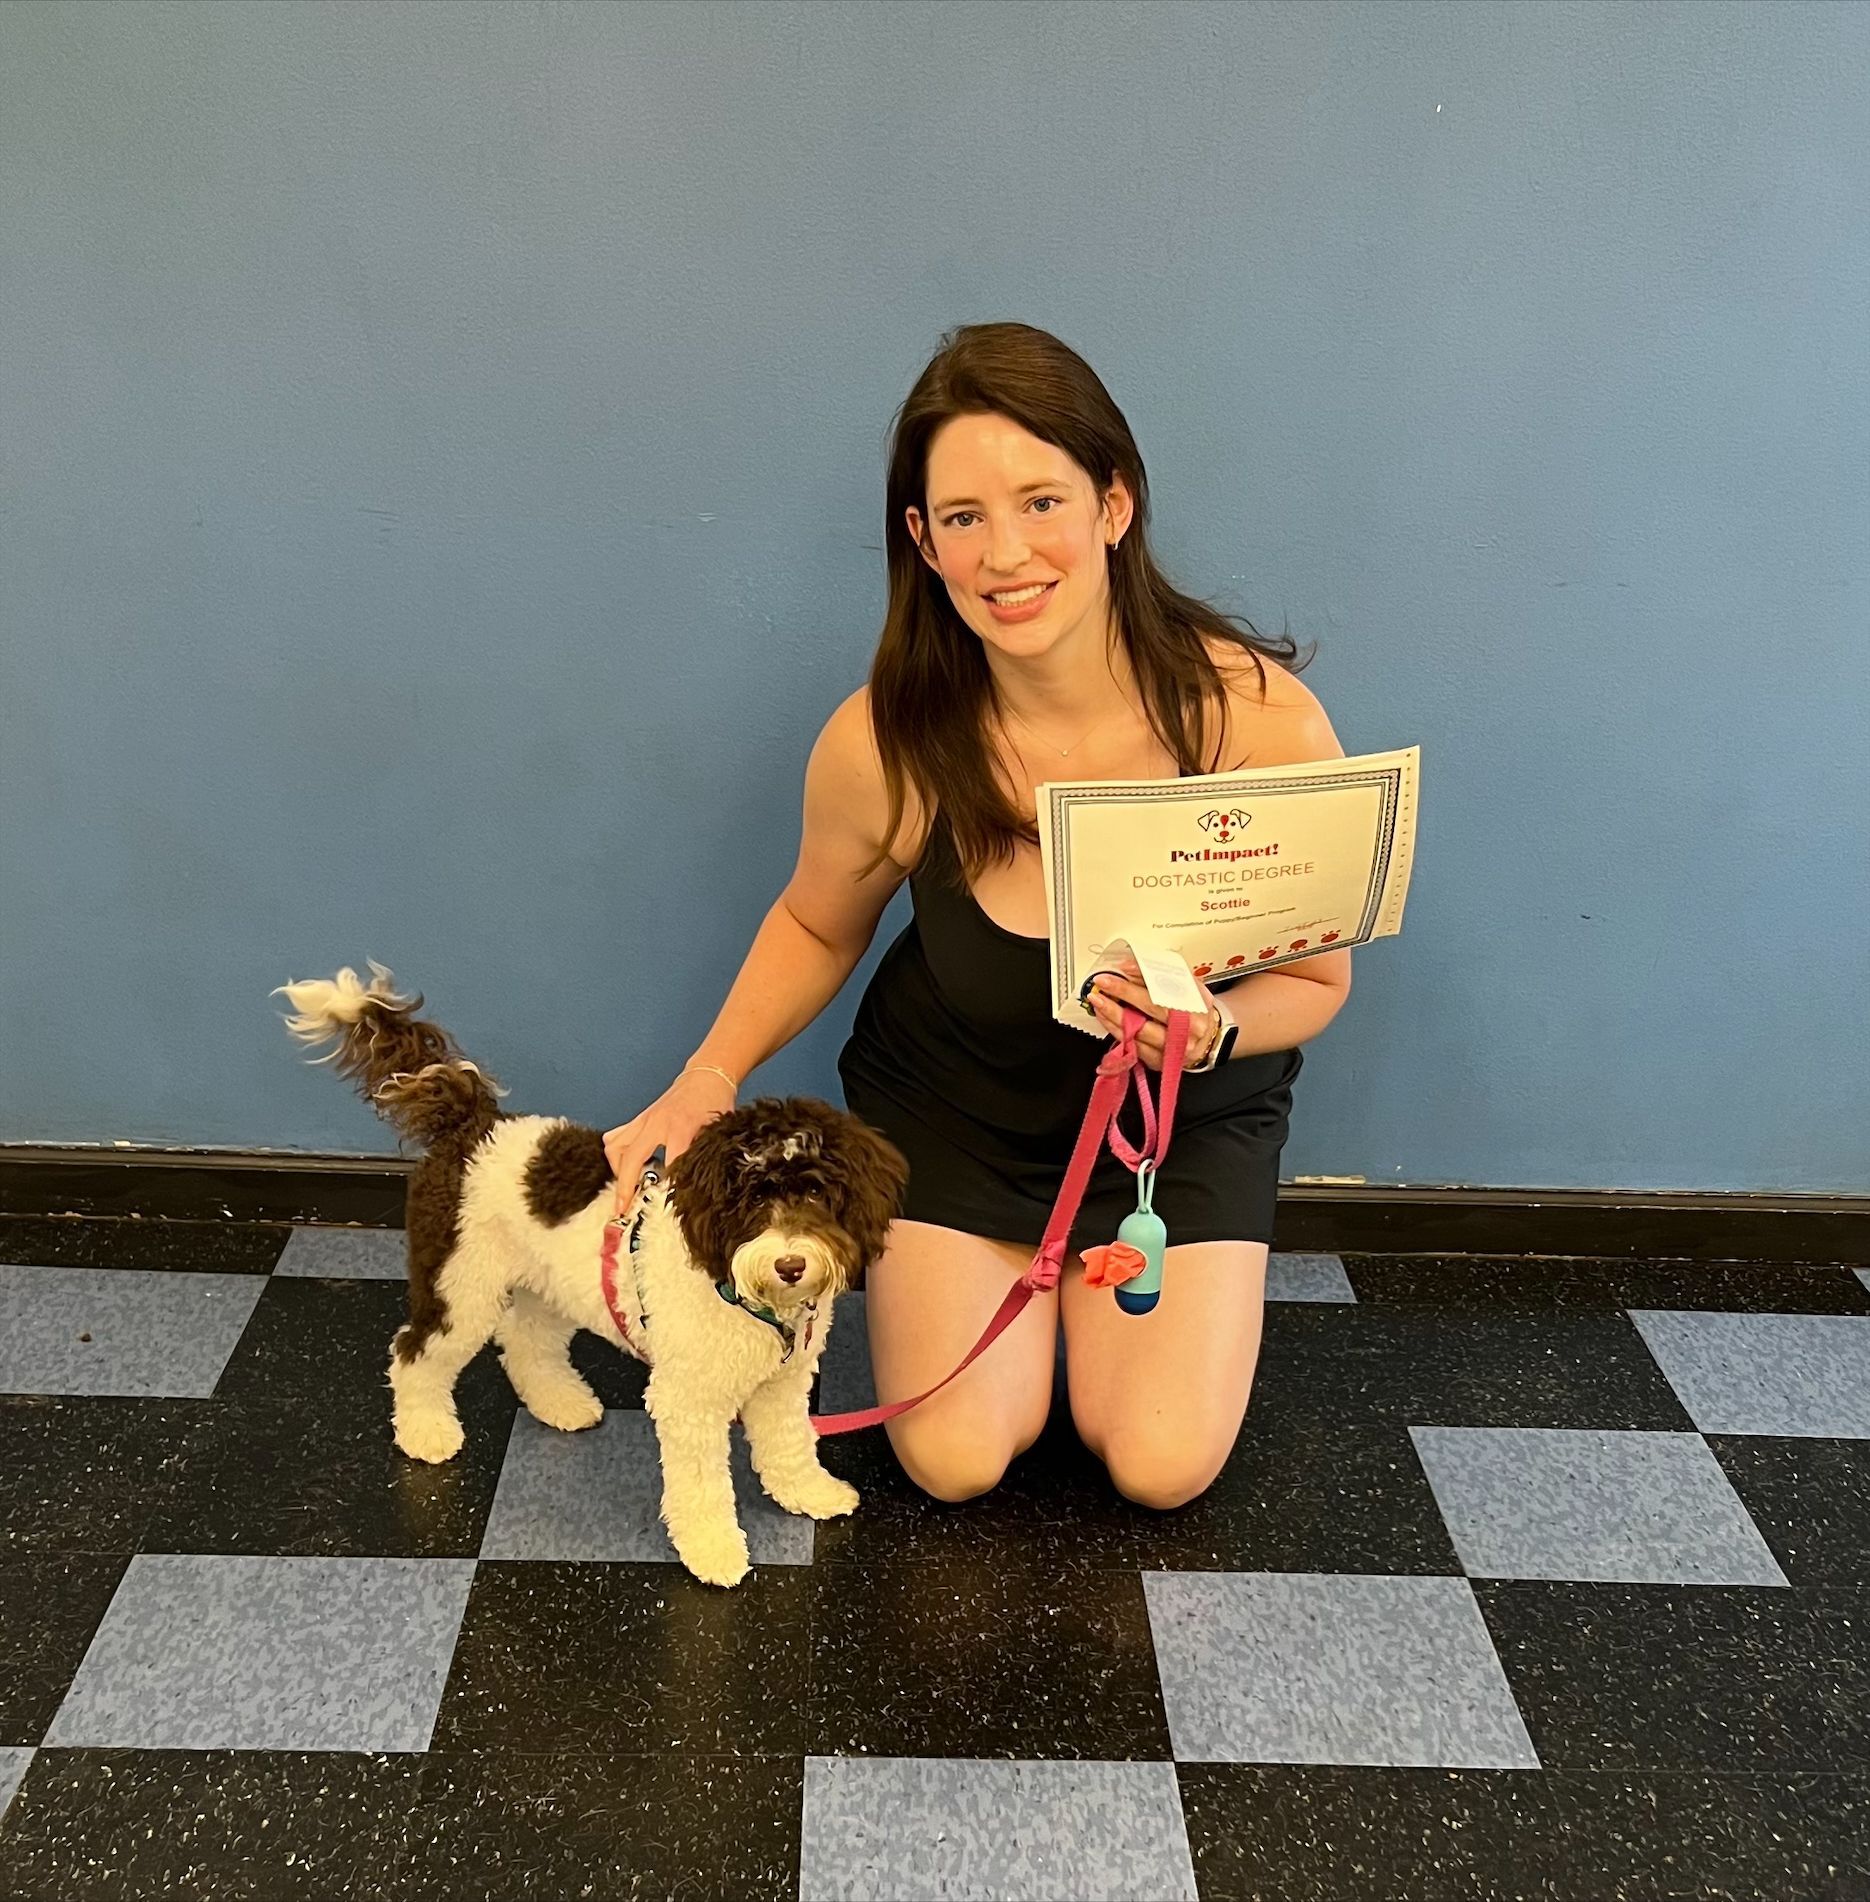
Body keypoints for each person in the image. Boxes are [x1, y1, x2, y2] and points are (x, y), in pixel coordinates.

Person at [605, 322, 1351, 1510]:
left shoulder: (1258, 722)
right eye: (961, 517)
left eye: (1040, 500)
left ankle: (1094, 1314)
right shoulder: (886, 744)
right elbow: (814, 925)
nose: (1005, 552)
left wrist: (1203, 1032)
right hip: (956, 1118)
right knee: (954, 1460)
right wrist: (707, 1075)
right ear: (923, 541)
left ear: (1114, 504)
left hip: (1173, 1139)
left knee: (1160, 1466)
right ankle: (1021, 1303)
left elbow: (1314, 987)